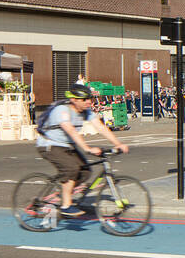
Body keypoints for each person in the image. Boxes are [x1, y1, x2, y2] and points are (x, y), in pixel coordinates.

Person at [34, 83, 130, 219]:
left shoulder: (86, 112)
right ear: (74, 100)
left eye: (89, 99)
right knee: (72, 169)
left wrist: (118, 144)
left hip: (67, 145)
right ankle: (66, 205)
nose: (88, 102)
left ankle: (63, 192)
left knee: (85, 172)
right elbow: (71, 131)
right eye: (84, 99)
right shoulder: (62, 111)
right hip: (49, 144)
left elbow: (101, 128)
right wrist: (87, 148)